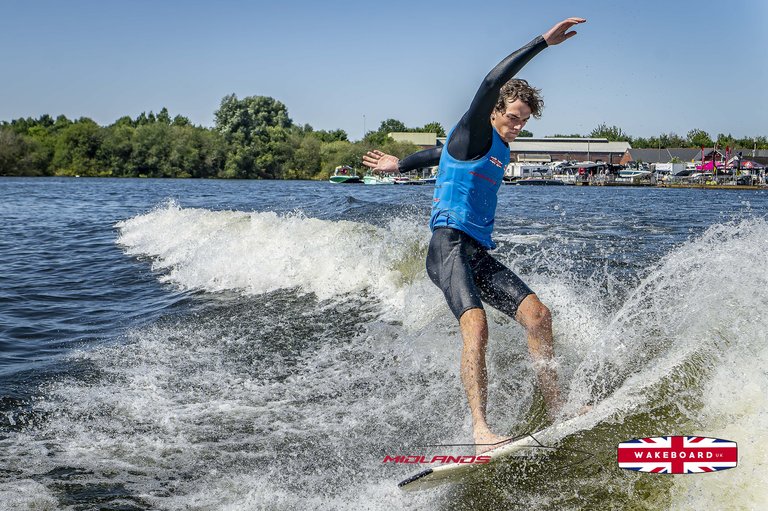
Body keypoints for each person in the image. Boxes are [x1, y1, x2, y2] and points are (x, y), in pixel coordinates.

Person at [362, 18, 586, 454]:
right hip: (446, 247)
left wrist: (400, 165)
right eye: (513, 117)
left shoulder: (494, 147)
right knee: (477, 325)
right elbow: (489, 80)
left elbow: (436, 153)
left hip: (476, 250)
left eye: (524, 121)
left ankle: (557, 408)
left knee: (539, 316)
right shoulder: (475, 129)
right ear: (494, 111)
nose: (517, 126)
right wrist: (543, 42)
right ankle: (481, 430)